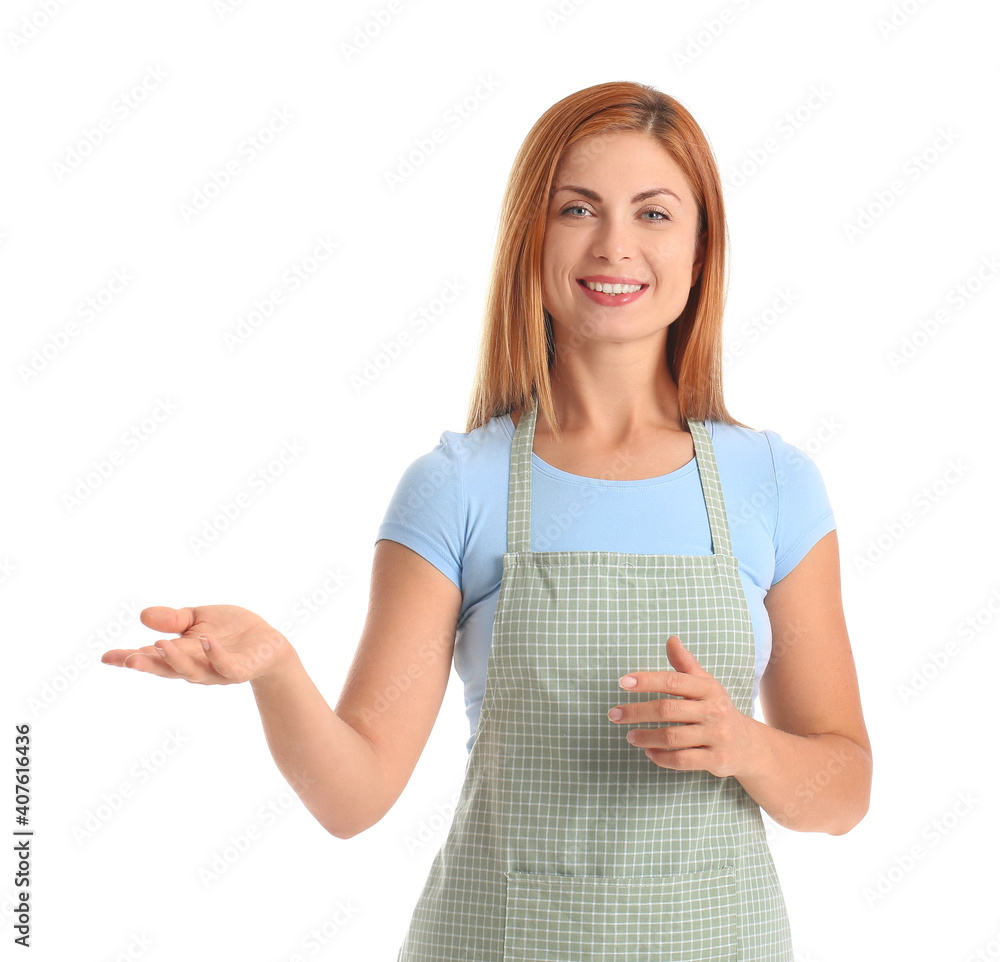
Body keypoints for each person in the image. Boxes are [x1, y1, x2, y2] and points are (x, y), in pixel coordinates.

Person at [103, 81, 872, 960]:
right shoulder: (456, 486)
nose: (615, 244)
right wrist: (277, 670)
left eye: (654, 214)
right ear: (529, 241)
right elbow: (352, 799)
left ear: (701, 253)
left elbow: (845, 790)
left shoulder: (774, 484)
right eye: (577, 208)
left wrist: (745, 746)